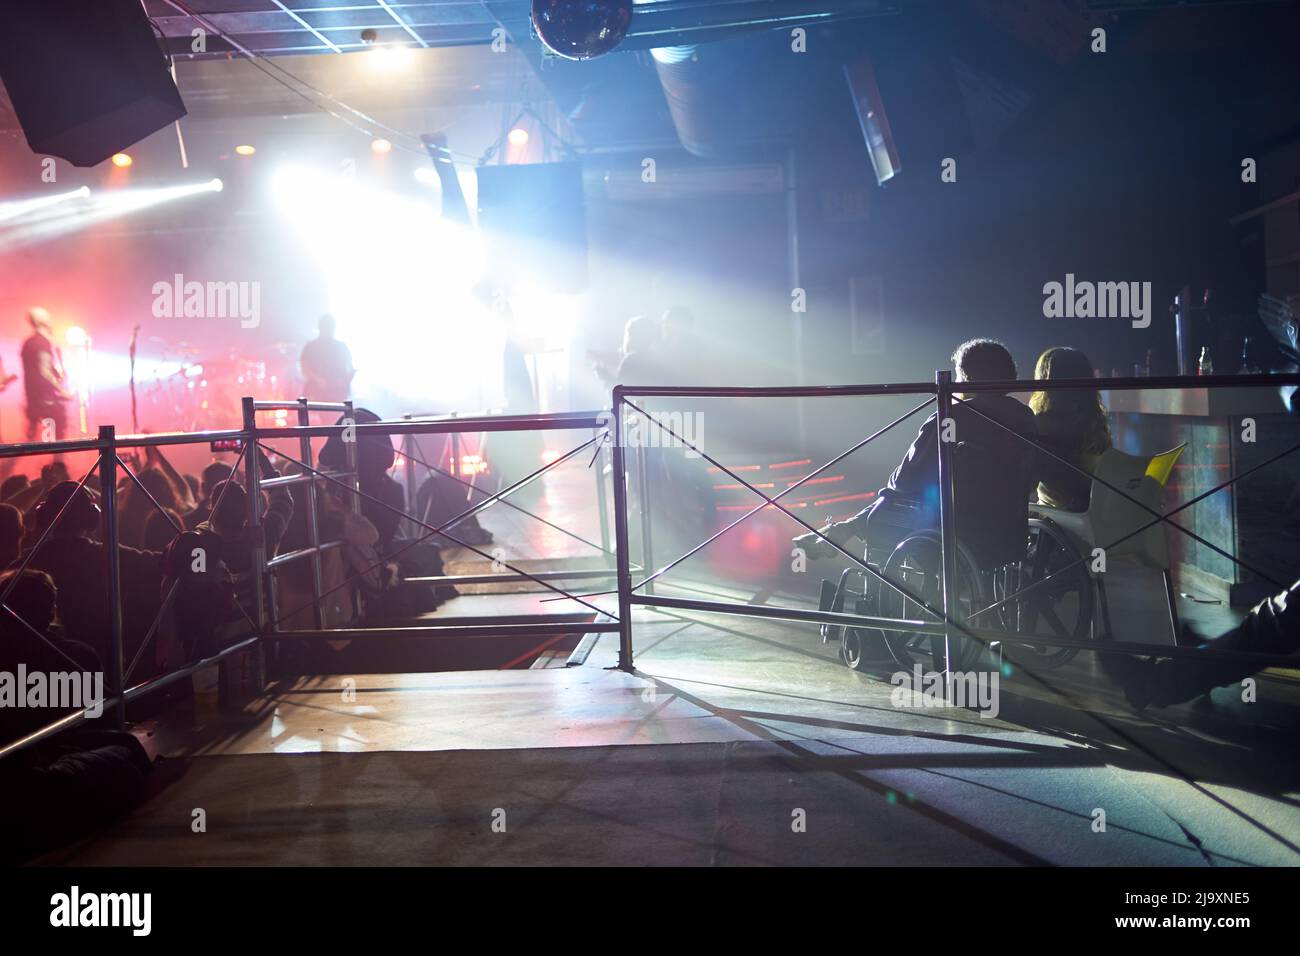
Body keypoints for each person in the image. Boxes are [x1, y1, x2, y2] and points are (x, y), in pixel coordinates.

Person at [795, 339, 1038, 565]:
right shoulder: (1026, 418)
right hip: (1008, 534)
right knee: (904, 498)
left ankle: (842, 533)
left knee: (891, 501)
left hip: (949, 532)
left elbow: (906, 480)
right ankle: (842, 530)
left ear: (966, 376)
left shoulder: (953, 417)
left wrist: (890, 488)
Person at [1029, 346, 1112, 511]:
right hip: (1097, 517)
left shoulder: (1040, 424)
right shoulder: (1096, 423)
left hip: (1057, 520)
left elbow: (1027, 482)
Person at [20, 308, 73, 444]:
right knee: (55, 439)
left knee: (39, 440)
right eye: (47, 317)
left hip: (34, 400)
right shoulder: (42, 343)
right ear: (41, 321)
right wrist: (63, 391)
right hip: (47, 401)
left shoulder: (29, 343)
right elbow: (44, 372)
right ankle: (56, 465)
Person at [299, 314, 355, 400]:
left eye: (331, 327)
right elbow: (304, 367)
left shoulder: (341, 347)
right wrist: (318, 380)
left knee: (337, 413)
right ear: (320, 328)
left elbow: (350, 367)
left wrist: (345, 381)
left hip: (336, 393)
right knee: (313, 412)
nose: (329, 330)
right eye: (327, 327)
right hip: (315, 392)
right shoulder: (311, 346)